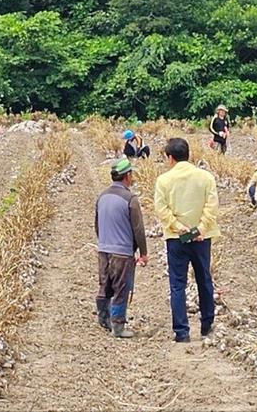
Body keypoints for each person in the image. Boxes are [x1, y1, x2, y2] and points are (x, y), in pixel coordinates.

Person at [154, 137, 219, 343]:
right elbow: (212, 207)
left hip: (176, 239)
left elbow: (161, 209)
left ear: (170, 157)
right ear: (188, 154)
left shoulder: (163, 180)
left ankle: (181, 332)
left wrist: (178, 226)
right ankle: (207, 324)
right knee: (204, 279)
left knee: (177, 284)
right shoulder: (206, 177)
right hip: (202, 238)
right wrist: (200, 228)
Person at [94, 157, 149, 339]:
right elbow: (138, 229)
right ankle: (118, 326)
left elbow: (97, 225)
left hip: (104, 249)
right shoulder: (130, 199)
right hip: (122, 252)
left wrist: (104, 242)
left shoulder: (102, 197)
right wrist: (143, 253)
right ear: (127, 176)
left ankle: (104, 319)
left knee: (105, 285)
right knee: (120, 288)